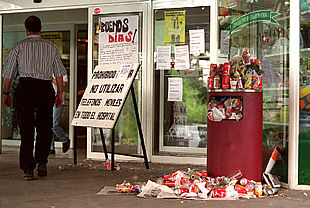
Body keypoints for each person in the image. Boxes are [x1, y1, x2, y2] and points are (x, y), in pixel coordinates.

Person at [2, 15, 67, 180]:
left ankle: (28, 169)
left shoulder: (18, 47)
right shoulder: (51, 47)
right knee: (45, 128)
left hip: (25, 88)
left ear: (26, 29)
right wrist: (59, 93)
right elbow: (59, 72)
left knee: (26, 129)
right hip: (45, 88)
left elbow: (9, 73)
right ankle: (42, 163)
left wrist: (5, 92)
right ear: (41, 28)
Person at [49, 75, 70, 154]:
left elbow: (63, 84)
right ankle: (50, 147)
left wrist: (51, 79)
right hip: (46, 98)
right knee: (48, 124)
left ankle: (65, 140)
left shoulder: (60, 70)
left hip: (57, 98)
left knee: (53, 124)